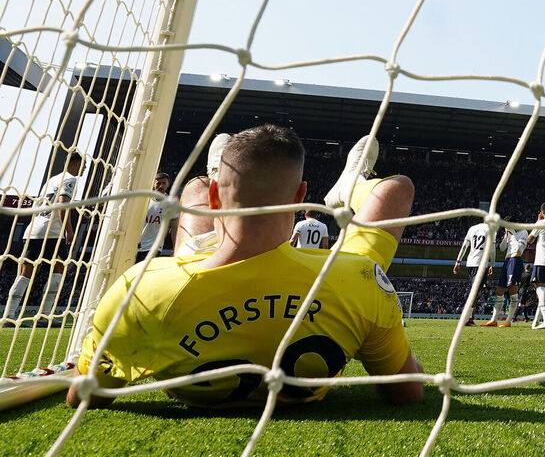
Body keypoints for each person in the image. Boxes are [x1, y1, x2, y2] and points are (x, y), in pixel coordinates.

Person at [67, 124, 423, 408]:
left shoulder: (143, 288)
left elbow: (86, 394)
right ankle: (354, 182)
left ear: (216, 199)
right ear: (300, 197)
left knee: (192, 190)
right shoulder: (358, 279)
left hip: (187, 282)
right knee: (397, 187)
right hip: (329, 278)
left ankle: (214, 174)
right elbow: (407, 392)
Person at [4, 152, 86, 323]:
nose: (85, 169)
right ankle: (44, 314)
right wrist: (69, 230)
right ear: (76, 163)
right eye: (84, 165)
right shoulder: (70, 179)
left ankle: (9, 314)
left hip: (34, 230)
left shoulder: (52, 180)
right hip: (52, 233)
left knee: (26, 273)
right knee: (59, 267)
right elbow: (63, 204)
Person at [453, 203, 497, 326]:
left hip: (470, 263)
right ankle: (467, 318)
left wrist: (458, 262)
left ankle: (468, 317)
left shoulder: (472, 228)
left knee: (475, 291)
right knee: (475, 292)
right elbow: (492, 249)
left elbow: (464, 247)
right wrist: (492, 264)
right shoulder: (492, 230)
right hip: (481, 264)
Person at [481, 225, 528, 327]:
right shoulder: (509, 233)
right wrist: (506, 237)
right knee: (499, 291)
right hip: (507, 260)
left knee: (512, 291)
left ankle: (508, 321)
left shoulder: (523, 232)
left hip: (516, 260)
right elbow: (502, 248)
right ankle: (493, 320)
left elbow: (519, 249)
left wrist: (513, 235)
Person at [136, 172, 180, 263]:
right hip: (135, 245)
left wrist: (175, 247)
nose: (161, 186)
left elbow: (175, 227)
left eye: (164, 183)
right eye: (158, 183)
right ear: (153, 184)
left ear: (168, 184)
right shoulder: (144, 200)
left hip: (154, 247)